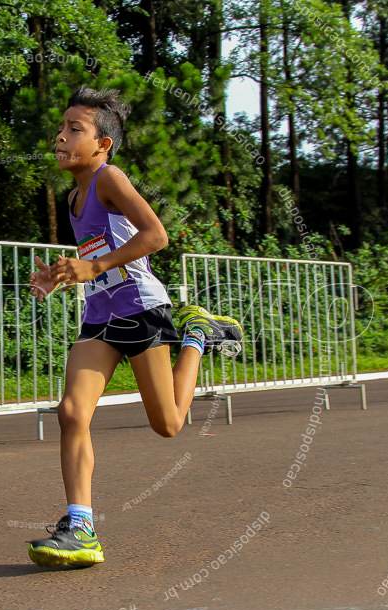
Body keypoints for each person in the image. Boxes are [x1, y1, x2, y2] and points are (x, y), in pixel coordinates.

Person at [27, 86, 243, 568]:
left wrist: (96, 267)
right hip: (100, 316)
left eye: (74, 130)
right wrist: (61, 276)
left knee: (168, 424)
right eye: (60, 128)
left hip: (142, 310)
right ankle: (80, 526)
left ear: (102, 144)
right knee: (71, 412)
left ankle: (197, 336)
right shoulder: (74, 197)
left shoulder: (110, 178)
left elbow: (155, 235)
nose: (60, 137)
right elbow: (97, 253)